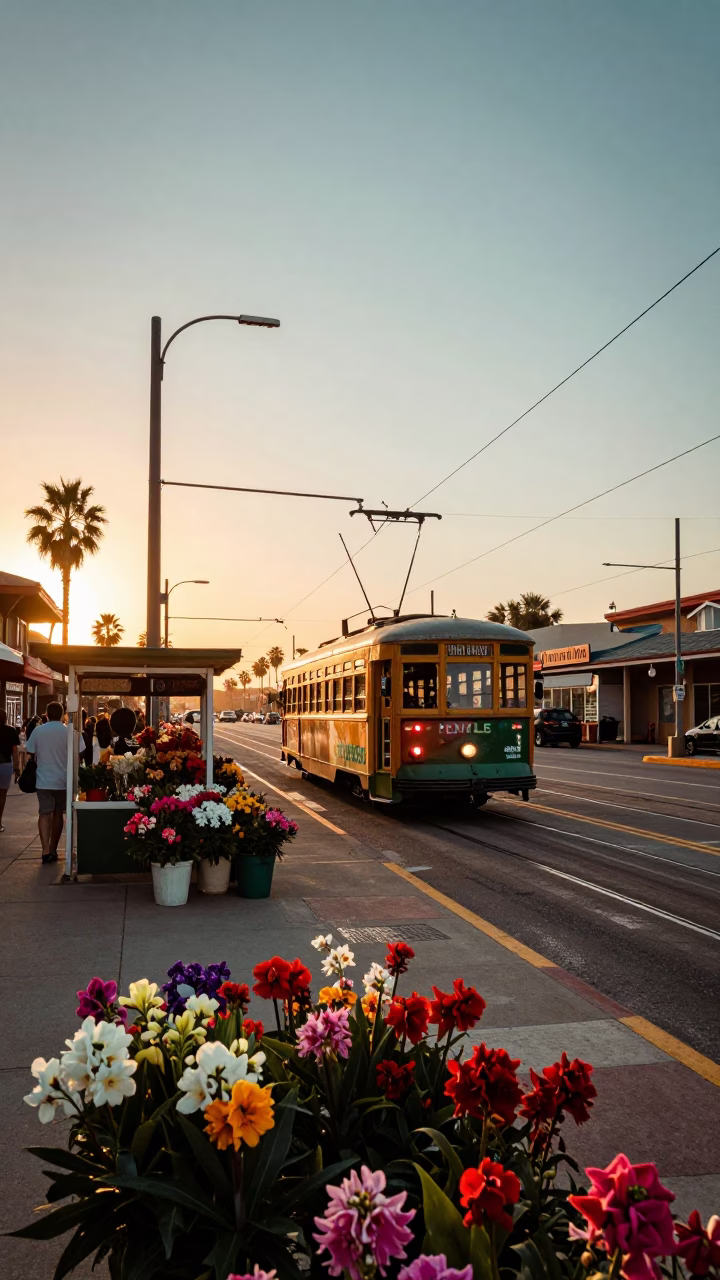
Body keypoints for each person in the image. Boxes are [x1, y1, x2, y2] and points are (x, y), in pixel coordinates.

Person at [25, 702, 69, 864]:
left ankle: (44, 850)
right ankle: (53, 848)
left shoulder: (38, 731)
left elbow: (31, 752)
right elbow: (79, 753)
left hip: (43, 779)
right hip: (63, 780)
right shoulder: (68, 732)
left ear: (47, 714)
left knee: (44, 813)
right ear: (63, 713)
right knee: (58, 813)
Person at [0, 709, 21, 834]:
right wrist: (17, 768)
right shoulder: (11, 730)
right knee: (2, 795)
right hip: (5, 765)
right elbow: (14, 751)